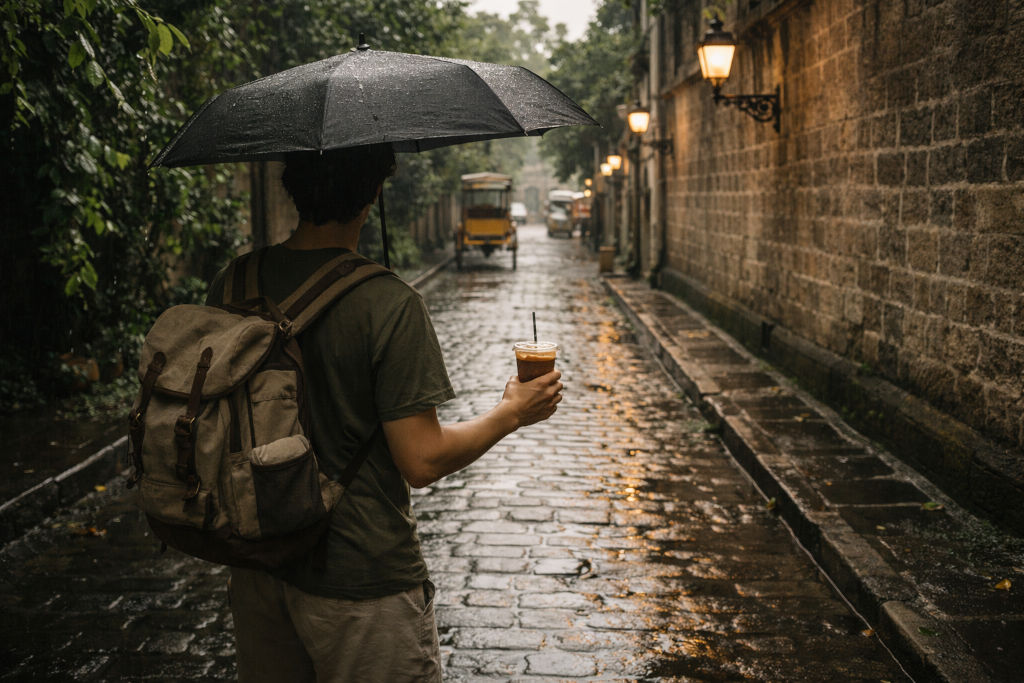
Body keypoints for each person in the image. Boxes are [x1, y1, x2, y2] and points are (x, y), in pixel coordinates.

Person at [207, 145, 563, 682]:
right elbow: (421, 461)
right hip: (360, 580)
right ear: (374, 193)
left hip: (257, 569)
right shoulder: (388, 303)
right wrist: (512, 411)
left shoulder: (233, 283)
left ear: (292, 186)